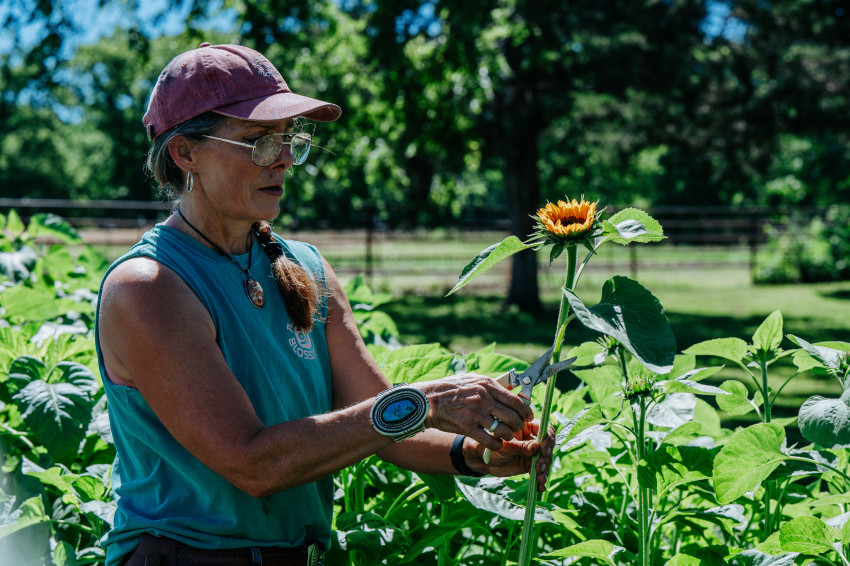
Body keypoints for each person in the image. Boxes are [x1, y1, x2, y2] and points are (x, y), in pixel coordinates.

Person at [95, 42, 555, 566]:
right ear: (186, 154)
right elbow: (253, 464)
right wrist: (426, 401)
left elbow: (390, 431)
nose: (286, 159)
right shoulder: (150, 286)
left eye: (289, 140)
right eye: (259, 142)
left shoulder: (306, 267)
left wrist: (478, 454)